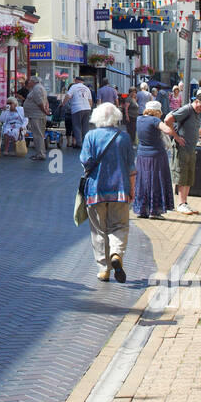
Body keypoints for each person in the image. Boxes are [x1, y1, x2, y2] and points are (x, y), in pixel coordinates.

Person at [79, 102, 137, 283]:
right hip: (120, 189)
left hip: (95, 190)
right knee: (119, 226)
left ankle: (104, 269)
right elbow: (131, 168)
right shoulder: (124, 138)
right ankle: (116, 254)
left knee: (98, 230)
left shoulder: (90, 136)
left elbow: (85, 161)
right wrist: (132, 189)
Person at [132, 99, 176, 219]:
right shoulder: (155, 120)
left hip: (142, 155)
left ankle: (142, 209)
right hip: (156, 155)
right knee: (156, 181)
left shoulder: (139, 119)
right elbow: (167, 130)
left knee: (143, 181)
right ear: (157, 111)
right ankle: (154, 211)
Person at [164, 94, 201, 215]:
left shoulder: (197, 112)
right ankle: (181, 203)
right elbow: (168, 119)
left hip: (190, 148)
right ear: (197, 101)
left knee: (189, 175)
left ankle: (184, 202)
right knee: (181, 174)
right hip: (182, 148)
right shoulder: (187, 109)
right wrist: (176, 137)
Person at [24, 75, 51, 160]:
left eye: (30, 81)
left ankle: (40, 154)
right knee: (38, 134)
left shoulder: (37, 89)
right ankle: (39, 153)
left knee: (37, 135)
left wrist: (44, 111)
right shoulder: (38, 88)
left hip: (37, 115)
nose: (29, 82)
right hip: (36, 114)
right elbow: (45, 101)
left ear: (34, 82)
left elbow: (40, 102)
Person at [63, 75, 94, 148]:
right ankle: (85, 143)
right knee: (85, 127)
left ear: (76, 81)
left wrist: (63, 103)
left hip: (77, 108)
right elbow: (90, 101)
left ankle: (79, 143)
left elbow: (68, 96)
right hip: (87, 108)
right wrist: (89, 108)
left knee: (77, 126)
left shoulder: (74, 87)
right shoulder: (87, 88)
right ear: (82, 81)